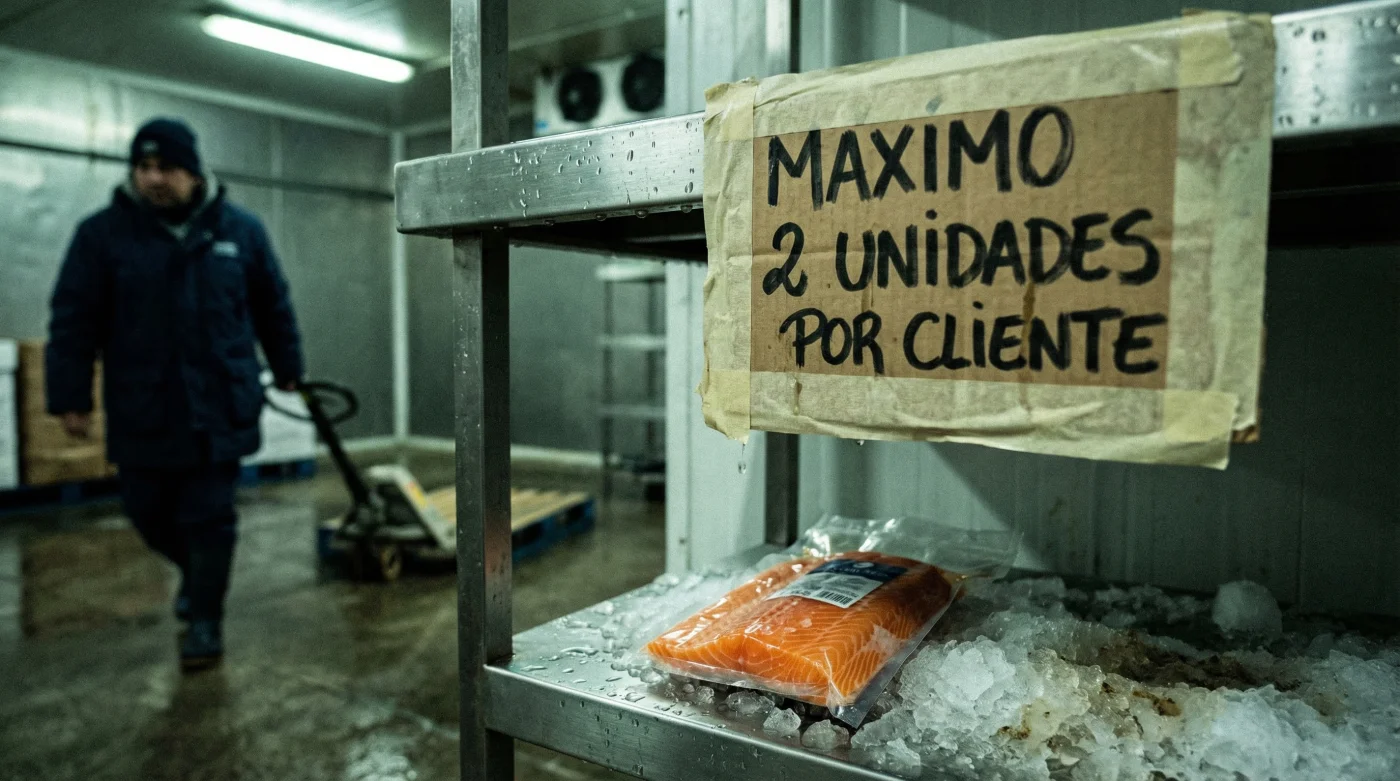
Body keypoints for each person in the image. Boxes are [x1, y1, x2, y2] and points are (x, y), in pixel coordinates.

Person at [46, 117, 304, 670]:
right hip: (145, 404)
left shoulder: (240, 231)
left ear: (193, 171)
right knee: (146, 511)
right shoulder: (102, 236)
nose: (153, 178)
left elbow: (272, 304)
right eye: (143, 167)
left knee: (210, 516)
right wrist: (70, 396)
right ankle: (197, 574)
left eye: (165, 167)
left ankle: (205, 618)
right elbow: (73, 319)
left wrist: (288, 366)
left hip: (218, 403)